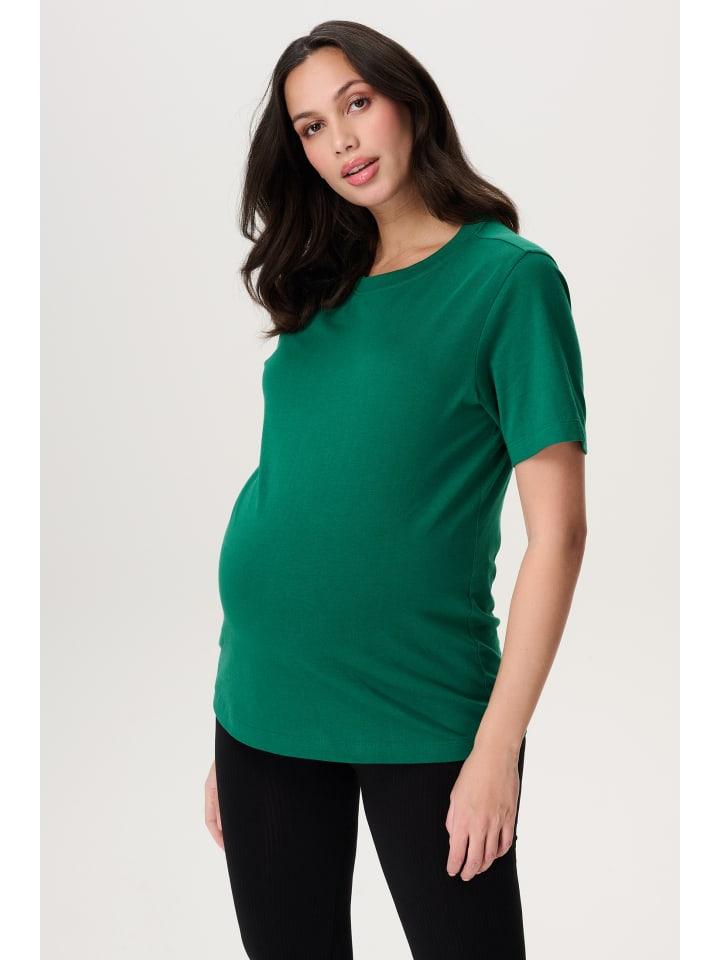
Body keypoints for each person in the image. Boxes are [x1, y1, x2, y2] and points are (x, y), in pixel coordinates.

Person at [204, 19, 587, 959]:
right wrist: (235, 718)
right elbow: (292, 485)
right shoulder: (318, 285)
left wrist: (496, 748)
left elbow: (560, 534)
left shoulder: (509, 281)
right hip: (263, 702)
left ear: (407, 102)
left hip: (426, 705)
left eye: (357, 104)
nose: (340, 141)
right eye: (310, 127)